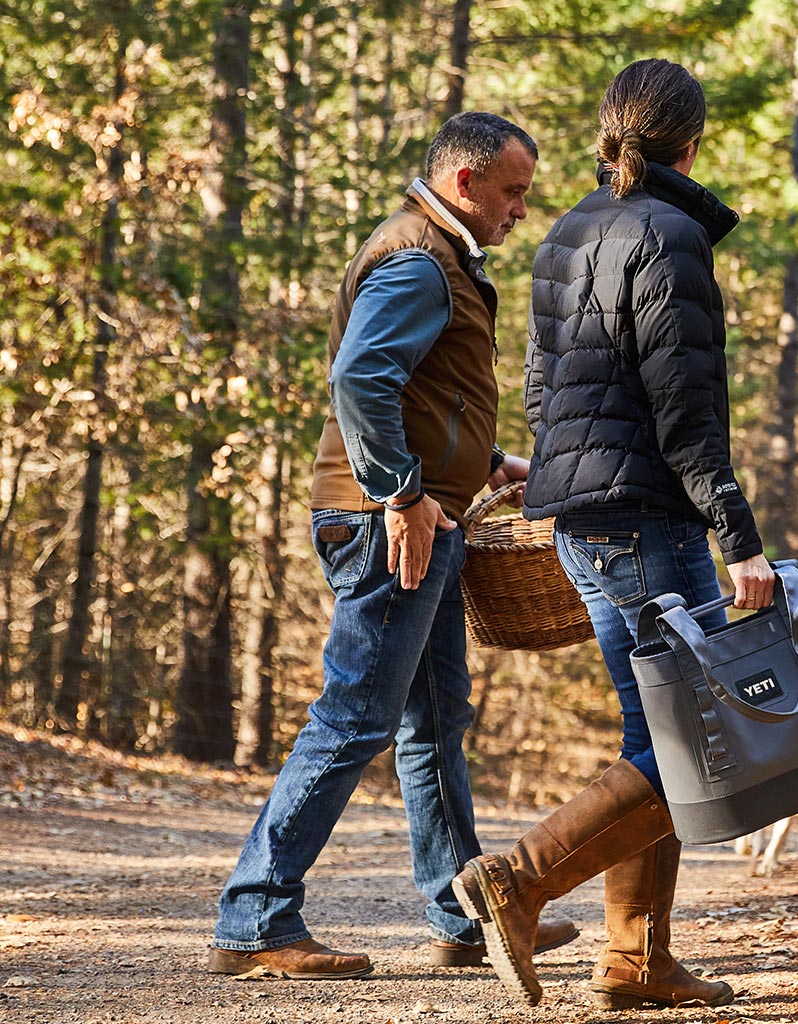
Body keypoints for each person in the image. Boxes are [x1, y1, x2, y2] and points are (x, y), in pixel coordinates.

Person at [209, 111, 578, 979]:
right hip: (389, 525)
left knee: (435, 720)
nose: (520, 209)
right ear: (465, 183)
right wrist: (402, 493)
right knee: (353, 718)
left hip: (421, 519)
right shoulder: (419, 259)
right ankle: (256, 917)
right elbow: (360, 378)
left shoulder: (434, 253)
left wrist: (484, 463)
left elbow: (420, 391)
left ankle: (460, 916)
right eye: (513, 192)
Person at [452, 60, 776, 1008]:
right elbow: (686, 414)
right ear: (690, 143)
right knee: (692, 738)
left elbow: (543, 389)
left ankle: (634, 961)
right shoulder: (671, 236)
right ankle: (517, 880)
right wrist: (739, 537)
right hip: (648, 520)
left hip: (586, 522)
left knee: (661, 733)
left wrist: (552, 486)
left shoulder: (567, 232)